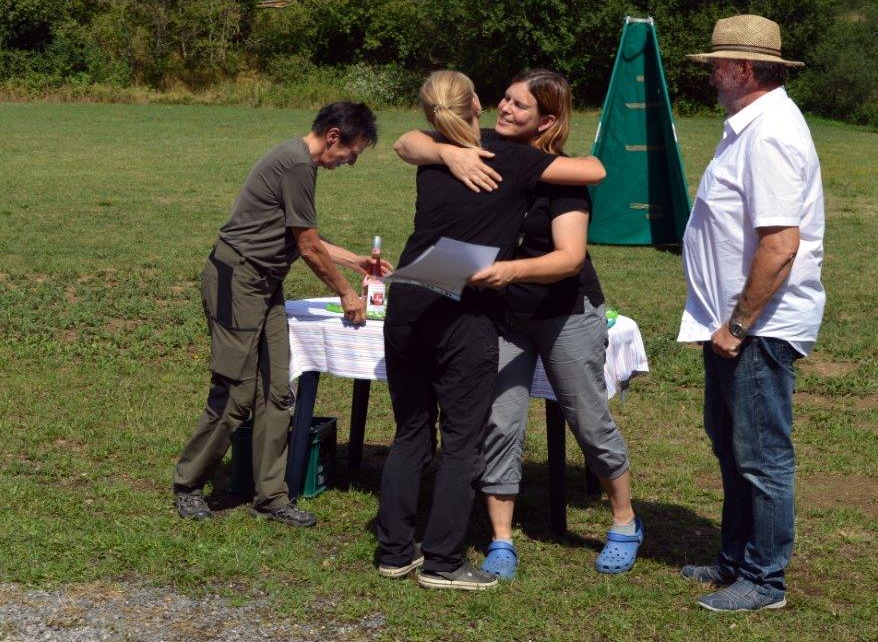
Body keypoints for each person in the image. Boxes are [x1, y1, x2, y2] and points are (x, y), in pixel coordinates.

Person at [402, 69, 640, 579]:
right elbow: (408, 142)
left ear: (547, 121)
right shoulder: (484, 147)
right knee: (500, 422)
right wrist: (448, 153)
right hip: (504, 314)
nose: (506, 110)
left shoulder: (563, 178)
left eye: (520, 106)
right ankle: (501, 539)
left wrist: (511, 271)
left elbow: (569, 258)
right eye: (505, 99)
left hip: (563, 313)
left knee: (588, 420)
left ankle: (624, 521)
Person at [172, 102, 384, 528]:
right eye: (353, 153)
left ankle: (271, 496)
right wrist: (347, 293)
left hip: (266, 285)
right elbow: (307, 247)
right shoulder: (296, 164)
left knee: (276, 390)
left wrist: (355, 262)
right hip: (237, 280)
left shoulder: (300, 162)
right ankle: (188, 484)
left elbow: (304, 236)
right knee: (237, 391)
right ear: (333, 136)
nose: (350, 162)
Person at [676, 14, 826, 611]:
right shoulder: (750, 127)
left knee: (760, 456)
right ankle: (735, 559)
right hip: (734, 324)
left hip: (756, 328)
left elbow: (781, 244)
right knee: (734, 447)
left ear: (741, 68)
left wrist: (739, 325)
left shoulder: (771, 134)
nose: (711, 74)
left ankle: (764, 580)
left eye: (717, 64)